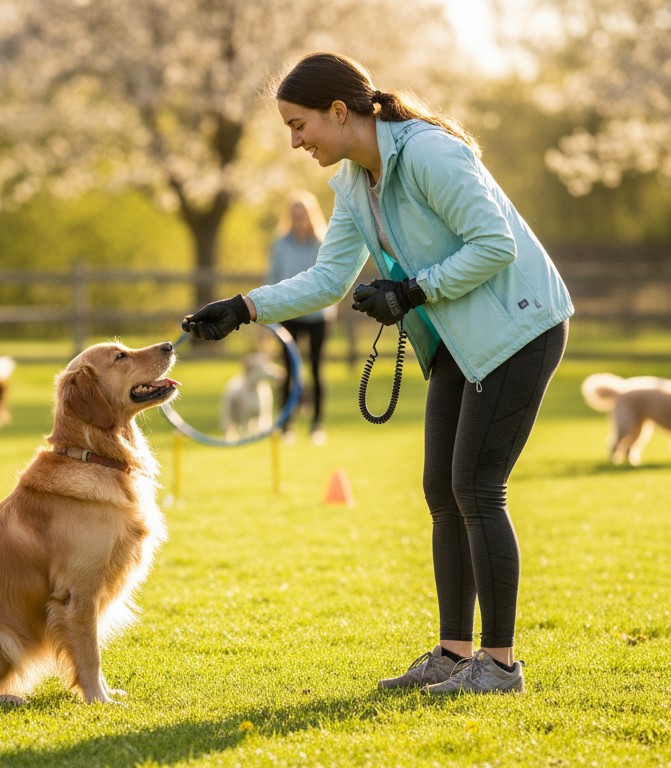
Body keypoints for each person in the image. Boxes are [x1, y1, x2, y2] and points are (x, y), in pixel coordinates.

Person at [183, 53, 573, 695]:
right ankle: (454, 655)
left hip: (520, 327)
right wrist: (245, 307)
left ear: (341, 111)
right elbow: (329, 280)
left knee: (476, 490)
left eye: (299, 124)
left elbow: (495, 244)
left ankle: (499, 668)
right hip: (458, 335)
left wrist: (413, 291)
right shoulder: (354, 184)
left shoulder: (427, 153)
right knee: (442, 493)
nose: (295, 141)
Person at [266, 190, 333, 445]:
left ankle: (317, 424)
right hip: (288, 314)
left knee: (316, 369)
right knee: (289, 370)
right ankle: (286, 426)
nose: (299, 220)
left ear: (311, 216)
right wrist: (266, 316)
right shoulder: (280, 244)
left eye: (303, 215)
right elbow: (271, 278)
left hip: (318, 316)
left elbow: (331, 278)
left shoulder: (323, 242)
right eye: (295, 215)